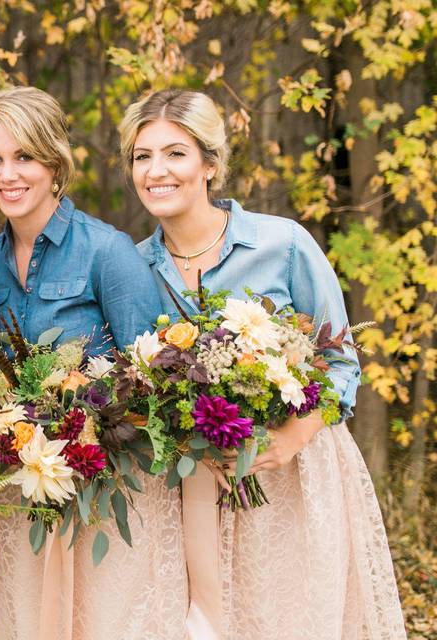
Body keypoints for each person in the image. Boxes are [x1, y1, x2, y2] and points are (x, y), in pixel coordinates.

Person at [123, 88, 406, 639]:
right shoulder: (133, 268)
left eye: (175, 153)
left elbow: (340, 362)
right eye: (142, 156)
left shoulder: (284, 245)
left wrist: (291, 440)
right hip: (187, 486)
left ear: (210, 163)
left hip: (289, 479)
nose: (156, 171)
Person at [0, 86, 188, 640]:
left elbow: (151, 380)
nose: (7, 174)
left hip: (105, 493)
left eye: (24, 156)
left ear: (54, 161)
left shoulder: (106, 251)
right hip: (22, 496)